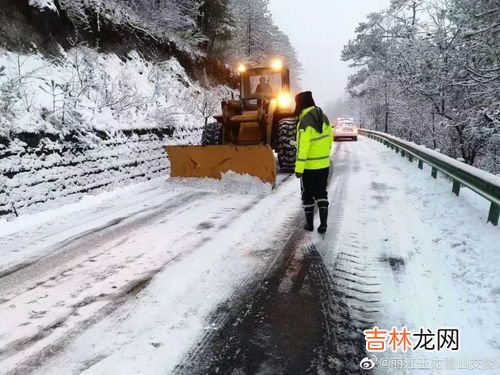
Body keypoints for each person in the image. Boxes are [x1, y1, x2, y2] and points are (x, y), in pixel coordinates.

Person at [294, 91, 333, 233]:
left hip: (309, 167)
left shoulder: (304, 123)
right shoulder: (324, 118)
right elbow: (329, 141)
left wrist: (299, 168)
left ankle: (309, 225)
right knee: (322, 193)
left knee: (307, 195)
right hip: (323, 165)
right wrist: (323, 156)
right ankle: (323, 224)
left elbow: (302, 149)